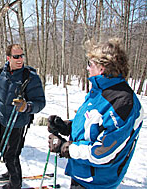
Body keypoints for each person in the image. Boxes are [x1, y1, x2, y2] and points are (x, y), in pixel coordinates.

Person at [47, 38, 144, 189]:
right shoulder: (100, 91)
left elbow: (102, 152)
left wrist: (65, 148)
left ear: (102, 68)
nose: (87, 68)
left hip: (97, 181)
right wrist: (67, 127)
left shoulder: (123, 103)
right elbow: (93, 125)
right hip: (82, 172)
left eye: (90, 64)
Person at [0, 44, 46, 189]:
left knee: (11, 154)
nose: (20, 59)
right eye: (16, 56)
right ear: (8, 58)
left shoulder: (30, 77)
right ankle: (10, 172)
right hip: (2, 118)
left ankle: (15, 184)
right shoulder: (0, 74)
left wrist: (27, 107)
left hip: (18, 121)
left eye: (22, 56)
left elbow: (40, 102)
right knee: (3, 150)